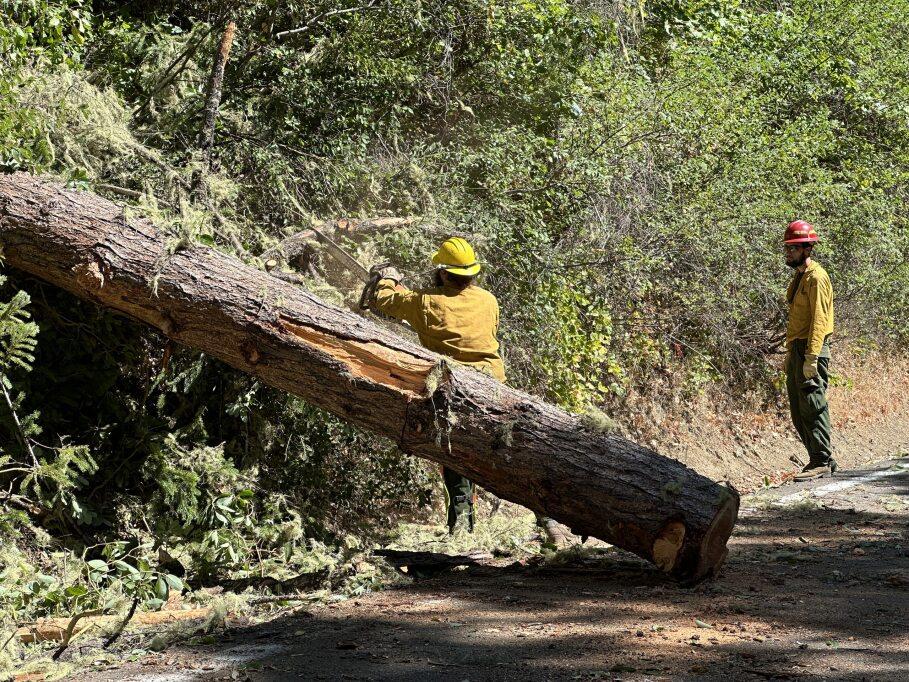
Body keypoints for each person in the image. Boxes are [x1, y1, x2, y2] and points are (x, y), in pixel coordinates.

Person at [367, 237, 504, 533]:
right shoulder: (488, 300)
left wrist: (387, 278)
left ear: (443, 273)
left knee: (454, 453)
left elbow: (383, 301)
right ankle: (543, 520)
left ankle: (462, 523)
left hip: (455, 388)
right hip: (493, 385)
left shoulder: (426, 302)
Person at [782, 220, 837, 480]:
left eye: (793, 248)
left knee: (813, 405)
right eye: (787, 248)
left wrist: (811, 357)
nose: (788, 253)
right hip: (798, 349)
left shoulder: (817, 277)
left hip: (811, 349)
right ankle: (817, 457)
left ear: (806, 249)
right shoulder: (801, 276)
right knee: (798, 408)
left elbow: (820, 320)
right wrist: (791, 353)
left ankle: (821, 460)